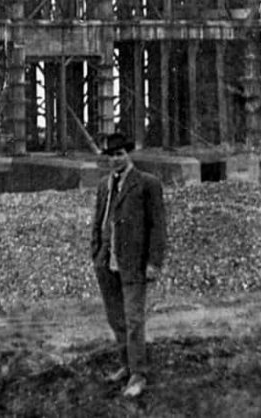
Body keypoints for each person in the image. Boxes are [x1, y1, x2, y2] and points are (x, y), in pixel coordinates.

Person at [91, 131, 167, 399]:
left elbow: (158, 226)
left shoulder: (147, 184)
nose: (115, 159)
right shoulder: (104, 185)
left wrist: (154, 262)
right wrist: (96, 253)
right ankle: (126, 365)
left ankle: (138, 374)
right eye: (111, 155)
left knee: (134, 320)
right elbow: (98, 220)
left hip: (134, 263)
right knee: (116, 318)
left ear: (128, 154)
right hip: (106, 262)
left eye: (119, 154)